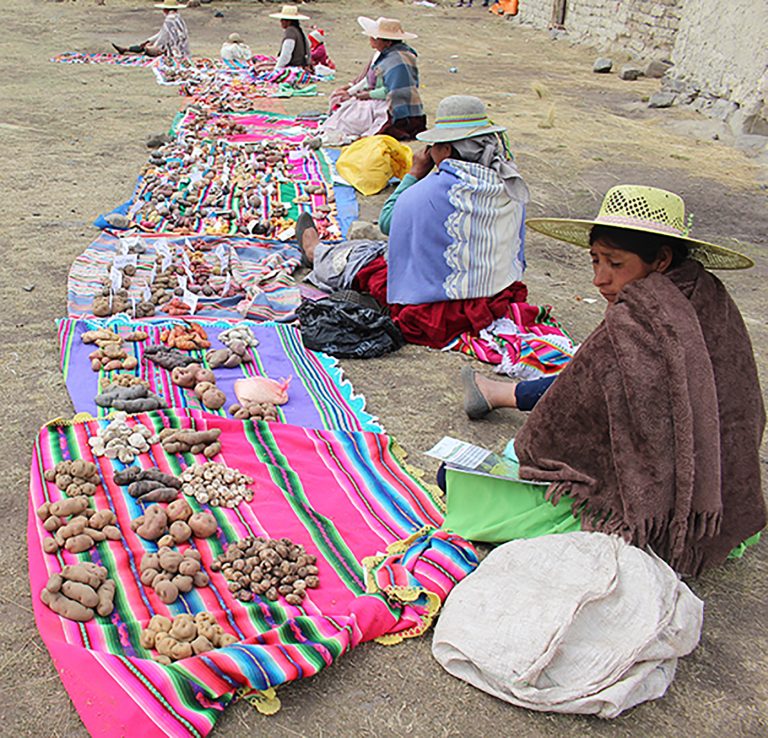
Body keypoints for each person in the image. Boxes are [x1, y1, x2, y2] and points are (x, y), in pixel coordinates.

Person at [447, 184, 764, 577]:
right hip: (721, 496)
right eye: (595, 260)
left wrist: (529, 451)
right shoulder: (707, 290)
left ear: (661, 259)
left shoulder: (634, 320)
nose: (600, 278)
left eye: (614, 263)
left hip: (651, 515)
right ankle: (499, 395)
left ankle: (498, 399)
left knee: (459, 480)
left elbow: (560, 427)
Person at [298, 95, 530, 348]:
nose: (429, 152)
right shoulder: (507, 181)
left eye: (434, 146)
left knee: (363, 257)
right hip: (491, 294)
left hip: (436, 308)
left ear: (446, 150)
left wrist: (415, 173)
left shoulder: (435, 189)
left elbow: (388, 222)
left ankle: (316, 253)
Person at [354, 16, 425, 140]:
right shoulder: (395, 55)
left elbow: (395, 92)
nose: (371, 42)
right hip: (401, 108)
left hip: (402, 115)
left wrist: (368, 95)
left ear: (388, 42)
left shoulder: (395, 60)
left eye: (375, 39)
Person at [111, 0, 190, 59]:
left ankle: (128, 49)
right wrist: (149, 40)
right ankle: (126, 49)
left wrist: (153, 46)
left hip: (174, 50)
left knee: (148, 48)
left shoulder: (170, 20)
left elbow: (163, 37)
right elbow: (163, 33)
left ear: (165, 9)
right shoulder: (178, 18)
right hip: (182, 48)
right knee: (147, 45)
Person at [268, 4, 312, 71]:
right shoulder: (298, 30)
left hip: (294, 65)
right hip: (301, 64)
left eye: (283, 20)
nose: (281, 22)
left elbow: (286, 55)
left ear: (289, 21)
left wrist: (277, 68)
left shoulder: (290, 32)